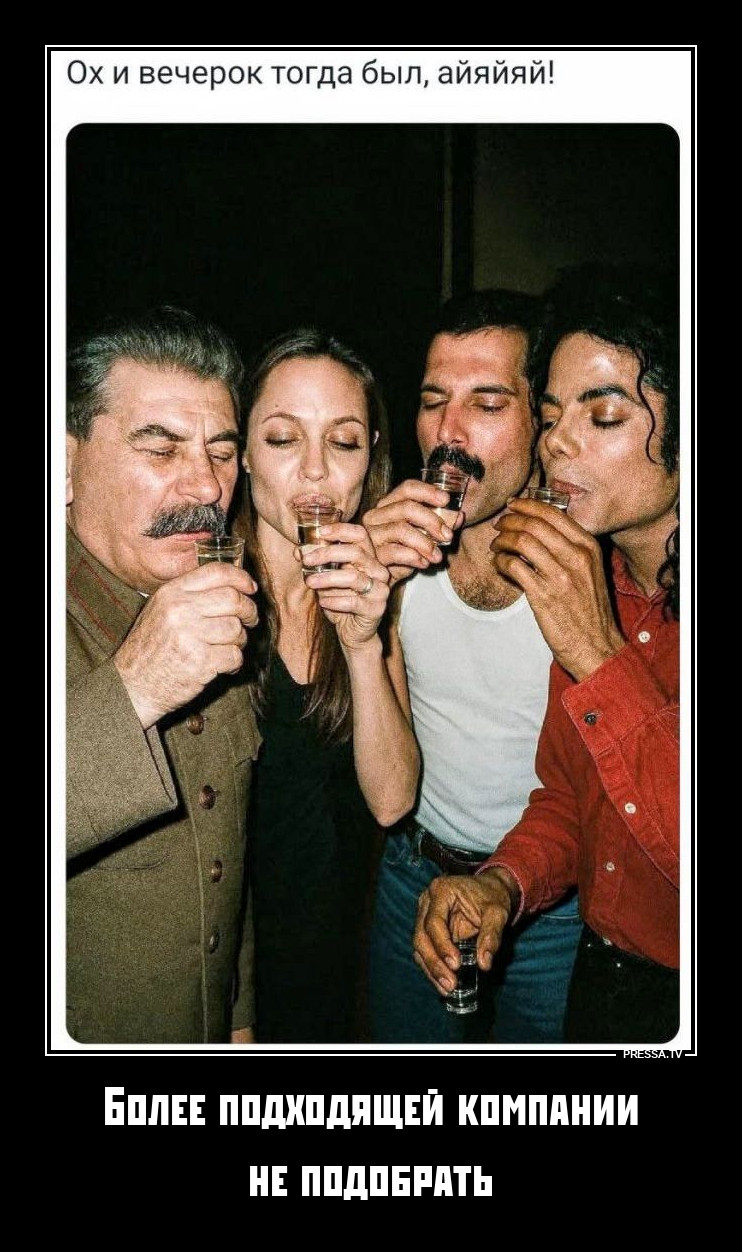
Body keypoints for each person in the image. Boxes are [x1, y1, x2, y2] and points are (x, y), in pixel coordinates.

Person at [413, 265, 680, 1043]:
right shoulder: (604, 583)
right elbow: (569, 797)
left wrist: (597, 654)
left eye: (604, 413)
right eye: (554, 414)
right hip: (600, 977)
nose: (557, 441)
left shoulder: (588, 617)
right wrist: (502, 883)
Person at [364, 290, 582, 1044]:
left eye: (487, 403)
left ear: (541, 422)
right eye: (434, 402)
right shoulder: (391, 547)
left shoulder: (587, 563)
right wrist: (364, 599)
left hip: (552, 911)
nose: (448, 432)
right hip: (414, 875)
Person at [66, 306, 261, 1044]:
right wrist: (134, 689)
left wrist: (237, 1019)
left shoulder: (218, 600)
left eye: (222, 452)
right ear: (64, 464)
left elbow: (223, 851)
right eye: (161, 448)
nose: (207, 487)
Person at [234, 329, 419, 1043]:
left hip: (332, 951)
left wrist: (362, 642)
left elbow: (392, 798)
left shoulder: (371, 592)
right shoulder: (204, 588)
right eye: (283, 438)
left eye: (343, 442)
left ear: (371, 458)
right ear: (242, 452)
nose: (315, 471)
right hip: (226, 957)